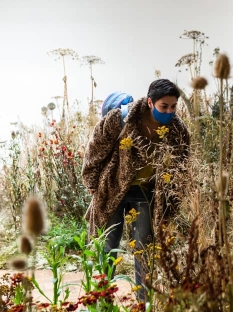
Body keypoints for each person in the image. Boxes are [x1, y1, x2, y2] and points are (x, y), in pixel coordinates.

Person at [81, 79, 190, 301]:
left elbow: (182, 167)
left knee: (144, 250)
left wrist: (173, 199)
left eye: (173, 107)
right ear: (150, 102)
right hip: (113, 188)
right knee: (108, 245)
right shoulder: (120, 119)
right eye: (164, 106)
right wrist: (92, 183)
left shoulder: (177, 131)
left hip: (146, 194)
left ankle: (143, 303)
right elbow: (95, 150)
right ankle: (102, 300)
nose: (169, 112)